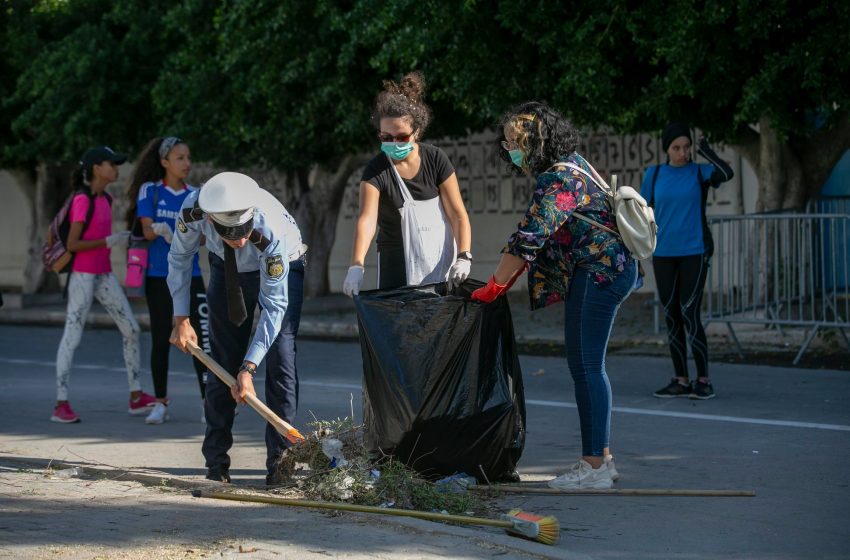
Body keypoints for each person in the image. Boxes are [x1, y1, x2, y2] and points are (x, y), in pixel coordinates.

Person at [471, 102, 638, 489]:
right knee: (588, 366)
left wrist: (493, 287)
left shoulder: (560, 177)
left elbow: (532, 234)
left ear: (540, 140)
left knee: (586, 367)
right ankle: (603, 460)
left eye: (518, 141)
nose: (512, 147)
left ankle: (594, 466)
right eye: (508, 141)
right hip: (608, 269)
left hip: (599, 272)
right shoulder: (575, 164)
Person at [168, 172, 305, 485]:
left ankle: (280, 465)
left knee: (281, 359)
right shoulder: (193, 210)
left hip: (284, 267)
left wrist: (249, 367)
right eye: (230, 231)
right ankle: (216, 464)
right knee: (221, 362)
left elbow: (274, 307)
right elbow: (179, 258)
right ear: (212, 220)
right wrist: (181, 318)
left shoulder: (271, 233)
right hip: (225, 267)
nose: (240, 239)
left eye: (244, 229)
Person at [343, 71, 472, 295]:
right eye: (386, 137)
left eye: (401, 137)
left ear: (417, 132)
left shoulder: (435, 159)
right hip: (396, 262)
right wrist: (356, 265)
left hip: (438, 258)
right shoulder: (376, 171)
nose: (394, 143)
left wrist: (464, 255)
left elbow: (458, 214)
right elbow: (367, 220)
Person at [51, 146, 155, 423]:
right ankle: (60, 404)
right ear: (97, 168)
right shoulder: (82, 200)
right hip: (83, 277)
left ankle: (136, 396)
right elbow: (73, 244)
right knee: (71, 337)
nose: (116, 169)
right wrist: (108, 241)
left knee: (131, 329)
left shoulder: (106, 199)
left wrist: (120, 240)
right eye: (111, 164)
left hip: (104, 275)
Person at [641, 123, 734, 400]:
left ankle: (703, 380)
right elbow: (640, 210)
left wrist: (706, 151)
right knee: (671, 315)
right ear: (667, 149)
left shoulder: (699, 172)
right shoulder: (654, 174)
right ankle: (681, 379)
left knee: (689, 313)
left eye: (686, 146)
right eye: (676, 147)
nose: (682, 152)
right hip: (663, 254)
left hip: (695, 251)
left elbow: (726, 172)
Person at [126, 137, 210, 425]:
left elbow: (203, 236)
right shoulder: (150, 191)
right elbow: (147, 230)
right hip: (159, 275)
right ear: (164, 162)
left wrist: (185, 239)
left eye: (188, 158)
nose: (187, 163)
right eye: (180, 158)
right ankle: (160, 402)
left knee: (201, 340)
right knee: (162, 338)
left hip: (192, 275)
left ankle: (207, 402)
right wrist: (162, 230)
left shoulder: (196, 194)